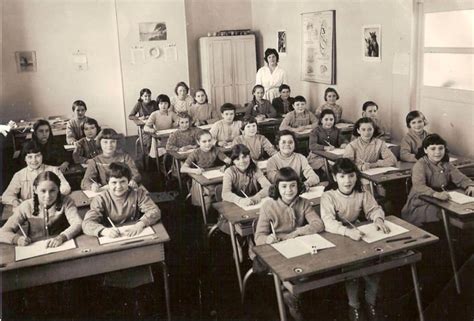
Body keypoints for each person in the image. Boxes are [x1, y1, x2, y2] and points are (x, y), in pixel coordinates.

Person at [320, 158, 390, 321]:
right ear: (335, 177)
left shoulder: (362, 192)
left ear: (356, 177)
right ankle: (354, 305)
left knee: (376, 260)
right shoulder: (328, 196)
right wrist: (347, 231)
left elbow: (374, 208)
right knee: (353, 267)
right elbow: (328, 222)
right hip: (337, 235)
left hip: (357, 232)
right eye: (342, 176)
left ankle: (370, 301)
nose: (347, 181)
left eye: (351, 176)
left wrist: (378, 218)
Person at [254, 167, 324, 321]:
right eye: (284, 186)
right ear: (277, 188)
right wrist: (268, 239)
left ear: (298, 186)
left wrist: (296, 233)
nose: (289, 190)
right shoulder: (268, 206)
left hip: (298, 246)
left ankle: (293, 293)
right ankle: (291, 296)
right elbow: (258, 237)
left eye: (293, 185)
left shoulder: (304, 203)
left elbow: (318, 224)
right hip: (277, 249)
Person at [401, 134, 474, 226]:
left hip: (443, 200)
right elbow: (419, 186)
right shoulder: (420, 165)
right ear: (425, 150)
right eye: (433, 149)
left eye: (440, 148)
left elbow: (461, 178)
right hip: (421, 203)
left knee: (463, 212)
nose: (437, 152)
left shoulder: (446, 164)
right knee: (448, 216)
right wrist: (435, 194)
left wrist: (470, 185)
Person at [0, 171, 81, 246]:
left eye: (52, 190)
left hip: (62, 245)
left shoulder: (67, 202)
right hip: (34, 248)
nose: (48, 196)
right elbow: (2, 232)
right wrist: (17, 239)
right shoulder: (26, 206)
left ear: (58, 189)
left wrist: (62, 237)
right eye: (43, 191)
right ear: (35, 190)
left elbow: (78, 223)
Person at [82, 162, 161, 238]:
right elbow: (87, 223)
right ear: (107, 183)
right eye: (114, 182)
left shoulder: (138, 193)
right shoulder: (100, 199)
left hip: (135, 232)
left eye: (123, 181)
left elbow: (155, 211)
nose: (119, 186)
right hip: (112, 237)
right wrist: (104, 231)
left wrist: (141, 224)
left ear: (129, 181)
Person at [219, 144, 271, 232]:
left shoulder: (254, 169)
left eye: (245, 157)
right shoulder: (230, 172)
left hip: (251, 206)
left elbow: (268, 187)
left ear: (250, 157)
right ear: (233, 161)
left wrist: (258, 196)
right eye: (237, 159)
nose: (242, 161)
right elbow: (225, 194)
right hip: (235, 207)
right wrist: (240, 200)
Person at [2, 141, 71, 206]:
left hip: (51, 206)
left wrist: (53, 194)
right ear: (24, 159)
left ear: (42, 156)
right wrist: (15, 201)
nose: (34, 160)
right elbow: (6, 195)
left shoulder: (54, 170)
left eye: (37, 156)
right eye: (30, 157)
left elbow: (66, 188)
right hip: (29, 209)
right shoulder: (19, 175)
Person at [181, 130, 231, 210]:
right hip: (200, 180)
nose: (208, 144)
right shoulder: (195, 153)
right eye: (204, 141)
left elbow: (229, 161)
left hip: (214, 177)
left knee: (225, 188)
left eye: (209, 140)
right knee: (213, 192)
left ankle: (222, 210)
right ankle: (210, 214)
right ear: (198, 142)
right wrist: (195, 171)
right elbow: (183, 169)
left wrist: (225, 166)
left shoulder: (215, 150)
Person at [307, 109, 348, 177]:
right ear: (321, 120)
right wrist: (325, 147)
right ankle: (332, 180)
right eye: (326, 119)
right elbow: (312, 146)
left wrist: (344, 144)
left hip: (332, 157)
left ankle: (336, 179)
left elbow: (343, 140)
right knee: (327, 165)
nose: (329, 122)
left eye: (331, 119)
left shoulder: (336, 130)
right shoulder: (316, 131)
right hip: (316, 157)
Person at [144, 94, 178, 158]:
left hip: (170, 137)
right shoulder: (154, 114)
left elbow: (179, 121)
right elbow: (145, 127)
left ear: (168, 104)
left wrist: (176, 123)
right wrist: (150, 129)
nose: (163, 106)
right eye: (161, 103)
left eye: (165, 103)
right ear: (158, 105)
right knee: (160, 156)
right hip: (159, 139)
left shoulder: (171, 113)